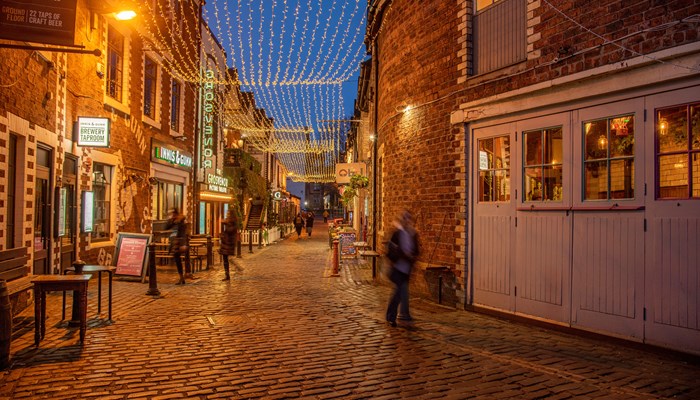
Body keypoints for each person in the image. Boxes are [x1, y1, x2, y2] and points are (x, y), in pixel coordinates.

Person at [385, 211, 419, 327]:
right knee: (400, 291)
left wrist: (412, 258)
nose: (407, 222)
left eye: (408, 220)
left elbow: (416, 250)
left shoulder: (413, 234)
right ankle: (392, 317)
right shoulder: (396, 234)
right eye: (405, 219)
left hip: (407, 269)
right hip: (398, 268)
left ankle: (402, 314)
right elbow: (390, 251)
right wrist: (400, 258)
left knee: (401, 292)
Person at [166, 208, 188, 285]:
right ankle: (181, 277)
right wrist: (171, 220)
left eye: (173, 214)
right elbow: (166, 227)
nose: (172, 215)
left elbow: (183, 232)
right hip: (175, 242)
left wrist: (183, 243)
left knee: (179, 259)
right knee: (177, 260)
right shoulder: (174, 221)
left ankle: (183, 276)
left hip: (180, 242)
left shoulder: (181, 221)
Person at [219, 210, 239, 281]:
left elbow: (230, 230)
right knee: (225, 259)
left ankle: (235, 267)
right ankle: (227, 274)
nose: (227, 215)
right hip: (226, 243)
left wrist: (225, 223)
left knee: (227, 258)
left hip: (228, 243)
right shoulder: (230, 222)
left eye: (228, 213)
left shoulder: (232, 223)